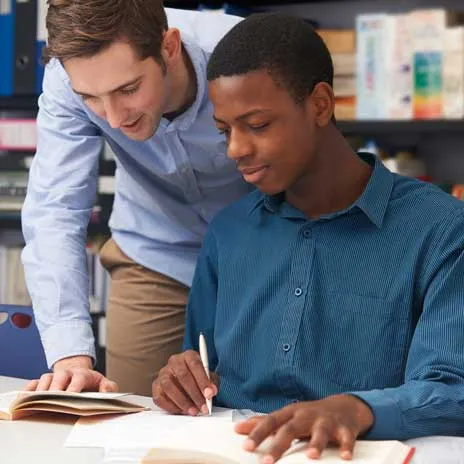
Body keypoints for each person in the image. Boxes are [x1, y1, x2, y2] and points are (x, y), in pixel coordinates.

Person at [153, 12, 464, 463]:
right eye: (225, 131)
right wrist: (181, 379)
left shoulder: (441, 229)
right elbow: (201, 364)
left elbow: (453, 390)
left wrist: (358, 409)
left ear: (320, 104)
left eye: (257, 125)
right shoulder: (227, 232)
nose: (236, 149)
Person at [21, 1, 252, 396]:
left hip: (262, 255)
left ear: (169, 48)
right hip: (154, 253)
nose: (112, 119)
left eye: (128, 89)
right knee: (131, 422)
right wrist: (71, 356)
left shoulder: (247, 55)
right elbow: (54, 209)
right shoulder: (67, 77)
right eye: (91, 98)